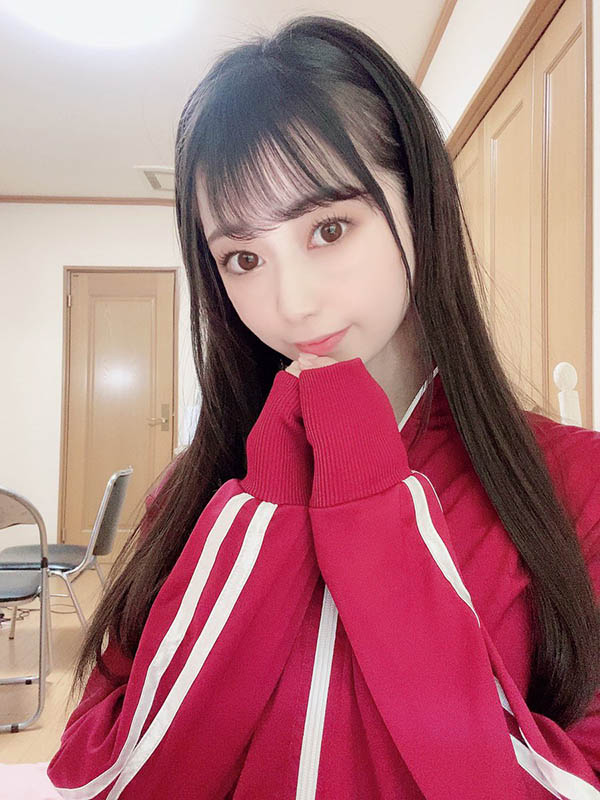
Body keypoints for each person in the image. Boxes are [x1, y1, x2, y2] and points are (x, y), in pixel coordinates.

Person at [46, 14, 600, 799]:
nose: (292, 304)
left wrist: (369, 510)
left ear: (421, 205)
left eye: (329, 228)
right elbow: (99, 779)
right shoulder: (197, 496)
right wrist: (268, 520)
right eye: (243, 257)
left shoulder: (577, 483)